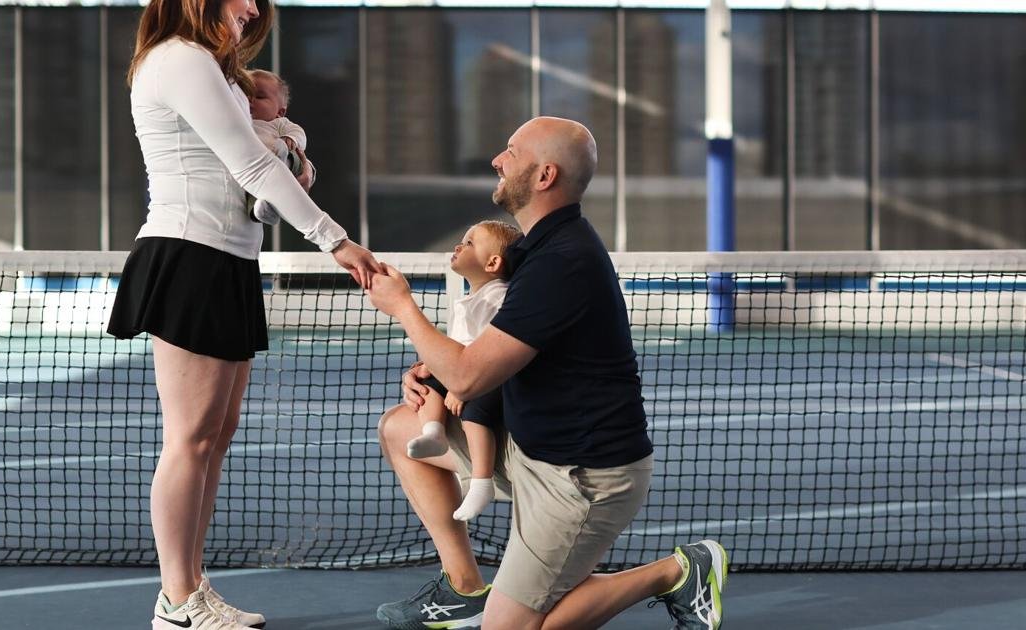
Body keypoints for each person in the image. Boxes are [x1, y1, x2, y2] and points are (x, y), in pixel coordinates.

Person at [366, 116, 728, 630]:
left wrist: (403, 307)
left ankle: (675, 572)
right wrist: (435, 375)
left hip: (584, 481)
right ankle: (466, 590)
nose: (497, 159)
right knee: (401, 427)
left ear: (544, 176)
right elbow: (484, 362)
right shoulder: (535, 253)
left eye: (511, 152)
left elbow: (470, 377)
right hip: (532, 453)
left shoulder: (562, 262)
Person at [105, 0, 382, 628]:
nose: (253, 8)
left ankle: (190, 590)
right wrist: (336, 240)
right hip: (187, 255)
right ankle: (178, 602)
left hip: (228, 260)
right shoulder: (180, 58)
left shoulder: (218, 71)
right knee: (191, 438)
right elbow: (250, 167)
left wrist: (292, 154)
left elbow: (261, 180)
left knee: (215, 435)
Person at [407, 219, 521, 522]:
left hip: (494, 379)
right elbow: (457, 348)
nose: (459, 245)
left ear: (493, 262)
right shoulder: (469, 299)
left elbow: (489, 353)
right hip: (468, 373)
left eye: (470, 243)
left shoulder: (499, 297)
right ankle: (434, 432)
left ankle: (482, 481)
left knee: (475, 413)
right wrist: (431, 367)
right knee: (428, 382)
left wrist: (459, 388)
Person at [245, 69, 308, 226]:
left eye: (259, 96)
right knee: (253, 191)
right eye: (245, 94)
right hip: (256, 169)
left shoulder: (279, 124)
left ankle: (272, 204)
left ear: (280, 112)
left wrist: (290, 139)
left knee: (292, 159)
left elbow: (299, 133)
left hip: (282, 160)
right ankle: (267, 209)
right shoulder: (241, 122)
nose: (249, 100)